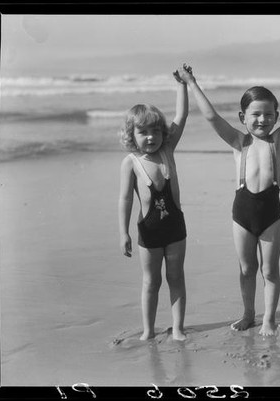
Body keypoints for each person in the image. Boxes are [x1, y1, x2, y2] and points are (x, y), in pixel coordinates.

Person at [177, 54, 280, 336]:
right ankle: (248, 314)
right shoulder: (238, 141)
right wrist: (192, 82)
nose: (263, 119)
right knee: (246, 269)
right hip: (242, 214)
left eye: (269, 114)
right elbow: (210, 116)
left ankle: (268, 318)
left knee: (270, 271)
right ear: (243, 118)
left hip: (270, 216)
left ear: (276, 117)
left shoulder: (278, 140)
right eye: (256, 114)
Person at [118, 68, 189, 341]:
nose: (151, 137)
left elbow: (181, 118)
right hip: (148, 231)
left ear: (163, 133)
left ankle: (178, 328)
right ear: (132, 135)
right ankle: (148, 330)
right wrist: (123, 232)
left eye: (156, 131)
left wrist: (181, 85)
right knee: (151, 282)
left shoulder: (167, 151)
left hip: (175, 228)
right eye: (143, 132)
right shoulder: (131, 163)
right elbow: (125, 198)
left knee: (176, 277)